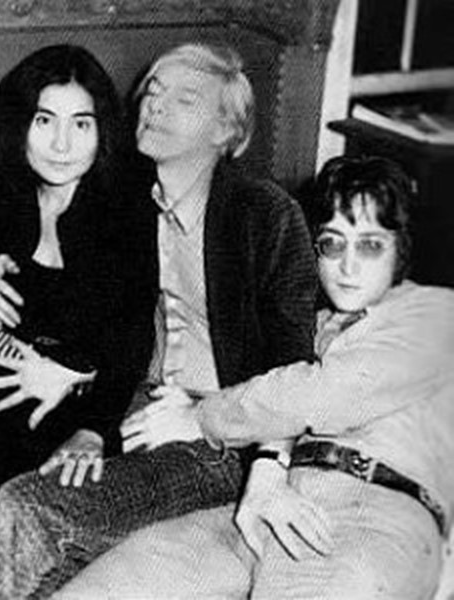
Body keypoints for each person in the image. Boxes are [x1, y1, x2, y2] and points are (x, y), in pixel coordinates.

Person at [0, 42, 318, 598]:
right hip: (125, 413)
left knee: (28, 510)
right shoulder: (123, 202)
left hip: (209, 440)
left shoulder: (263, 215)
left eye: (185, 99)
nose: (157, 105)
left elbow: (293, 363)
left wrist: (260, 460)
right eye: (153, 91)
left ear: (227, 129)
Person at [57, 155, 454, 600]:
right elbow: (267, 391)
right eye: (331, 243)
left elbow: (322, 394)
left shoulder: (436, 314)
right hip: (269, 507)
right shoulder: (313, 325)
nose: (348, 266)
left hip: (373, 515)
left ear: (401, 249)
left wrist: (201, 417)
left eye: (370, 245)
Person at [0, 44, 156, 540]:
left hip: (57, 416)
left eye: (81, 124)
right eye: (44, 121)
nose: (62, 144)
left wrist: (93, 430)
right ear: (18, 125)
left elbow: (133, 337)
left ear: (102, 131)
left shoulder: (126, 209)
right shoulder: (7, 193)